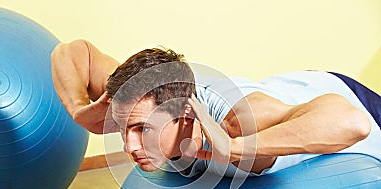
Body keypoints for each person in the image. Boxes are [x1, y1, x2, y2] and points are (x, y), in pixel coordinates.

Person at [51, 39, 381, 178]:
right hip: (288, 82)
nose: (129, 146)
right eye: (126, 130)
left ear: (183, 117)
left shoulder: (241, 122)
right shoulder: (144, 95)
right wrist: (80, 110)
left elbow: (352, 122)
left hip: (355, 99)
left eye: (141, 130)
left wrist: (235, 147)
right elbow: (73, 51)